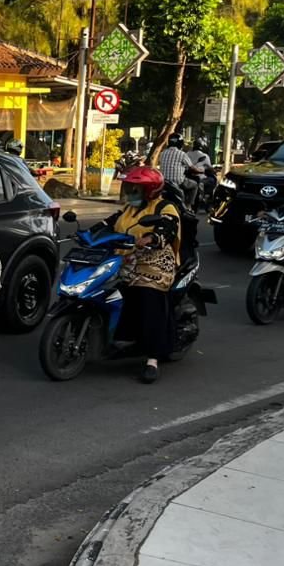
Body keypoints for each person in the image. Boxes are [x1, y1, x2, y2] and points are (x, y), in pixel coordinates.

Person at [106, 166, 181, 383]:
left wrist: (152, 238)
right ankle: (120, 338)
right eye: (129, 187)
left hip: (155, 262)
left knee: (148, 297)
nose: (130, 192)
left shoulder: (166, 208)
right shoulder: (128, 209)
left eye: (135, 189)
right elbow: (107, 224)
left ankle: (152, 359)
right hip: (127, 259)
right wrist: (85, 234)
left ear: (149, 191)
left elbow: (167, 229)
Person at [160, 134, 199, 206]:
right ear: (180, 143)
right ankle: (188, 206)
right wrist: (200, 170)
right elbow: (192, 167)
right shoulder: (182, 154)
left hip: (164, 183)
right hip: (178, 182)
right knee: (195, 185)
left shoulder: (162, 153)